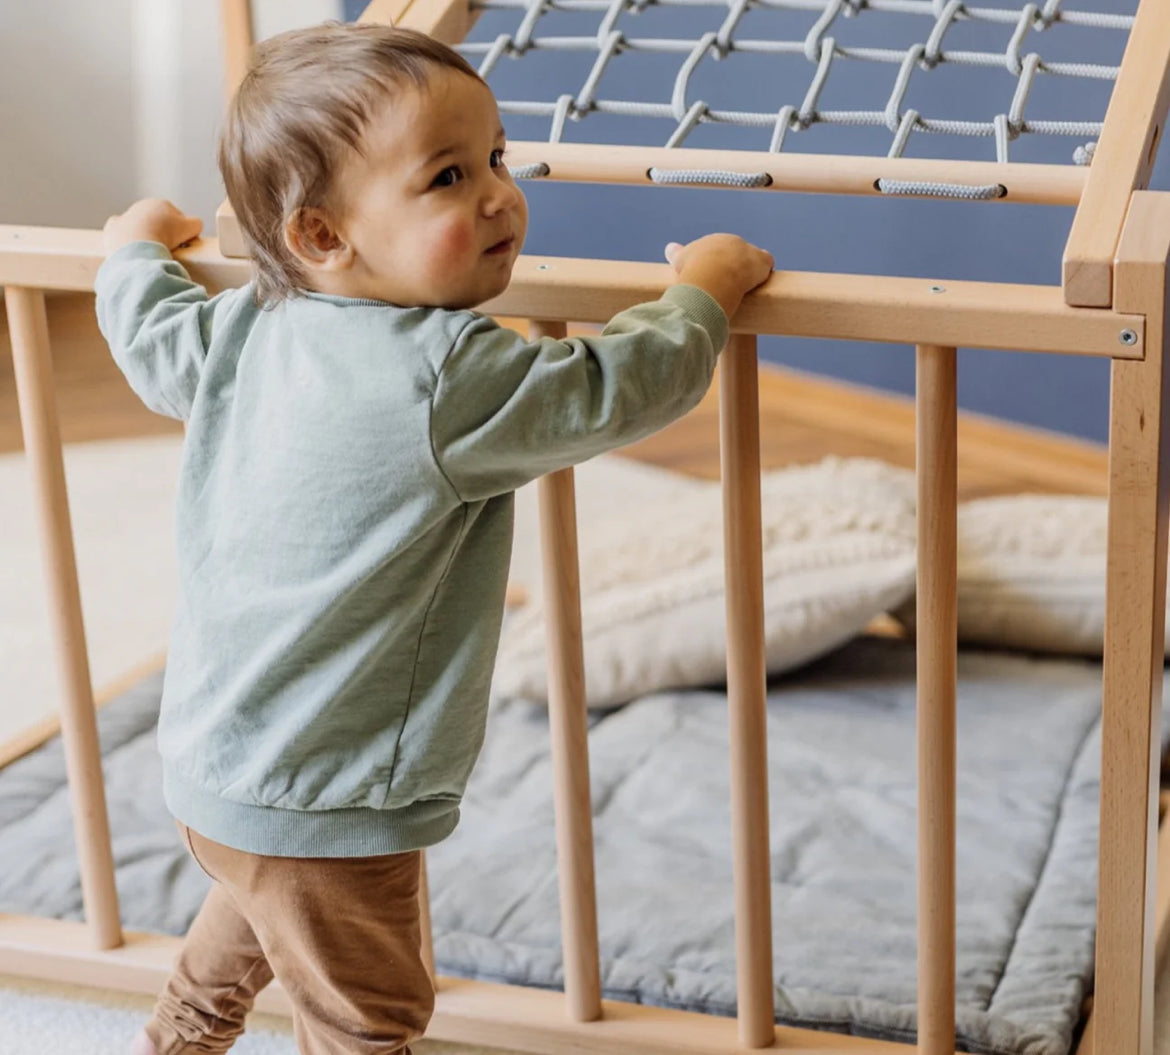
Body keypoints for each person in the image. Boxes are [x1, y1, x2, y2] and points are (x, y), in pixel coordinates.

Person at [98, 20, 773, 1055]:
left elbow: (150, 336)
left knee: (254, 908)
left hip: (212, 765)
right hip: (337, 797)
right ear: (323, 236)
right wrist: (705, 291)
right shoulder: (448, 375)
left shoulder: (242, 330)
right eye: (449, 177)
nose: (499, 193)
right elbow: (618, 387)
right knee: (368, 1018)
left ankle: (175, 1039)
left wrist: (132, 248)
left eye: (497, 157)